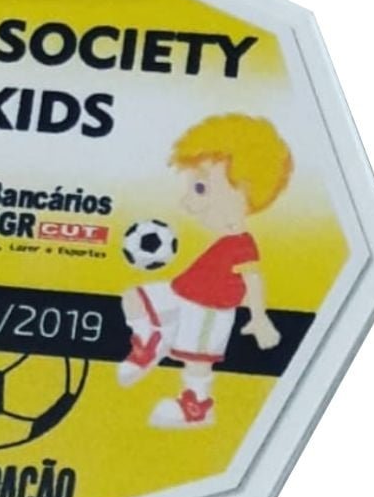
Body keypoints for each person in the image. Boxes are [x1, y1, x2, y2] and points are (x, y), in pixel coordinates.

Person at [118, 114, 292, 428]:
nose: (187, 202)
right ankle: (149, 341)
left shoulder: (242, 245)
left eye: (200, 188)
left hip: (209, 309)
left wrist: (258, 317)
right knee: (134, 298)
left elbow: (253, 279)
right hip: (181, 292)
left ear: (244, 190)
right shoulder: (225, 240)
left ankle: (196, 406)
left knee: (196, 359)